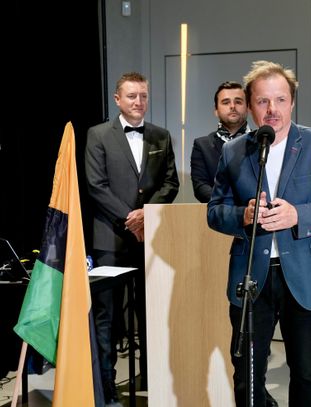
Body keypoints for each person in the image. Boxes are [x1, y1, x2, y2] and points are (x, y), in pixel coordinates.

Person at [207, 60, 311, 407]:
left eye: (280, 100)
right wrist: (243, 216)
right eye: (262, 101)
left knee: (305, 372)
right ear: (250, 105)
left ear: (292, 102)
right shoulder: (233, 151)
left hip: (304, 274)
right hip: (251, 277)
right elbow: (214, 212)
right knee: (247, 375)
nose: (272, 109)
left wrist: (298, 215)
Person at [85, 72, 179, 405]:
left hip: (150, 241)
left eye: (143, 96)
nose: (138, 102)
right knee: (107, 317)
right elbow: (96, 185)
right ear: (117, 99)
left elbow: (171, 183)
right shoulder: (97, 135)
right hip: (110, 240)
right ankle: (106, 386)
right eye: (131, 96)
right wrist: (132, 218)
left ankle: (155, 381)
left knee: (152, 313)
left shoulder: (161, 135)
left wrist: (147, 214)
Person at [190, 81, 250, 203]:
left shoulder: (262, 142)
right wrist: (231, 207)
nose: (232, 106)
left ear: (248, 108)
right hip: (219, 212)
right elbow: (200, 187)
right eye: (226, 102)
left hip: (257, 212)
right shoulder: (202, 146)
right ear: (216, 110)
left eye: (238, 102)